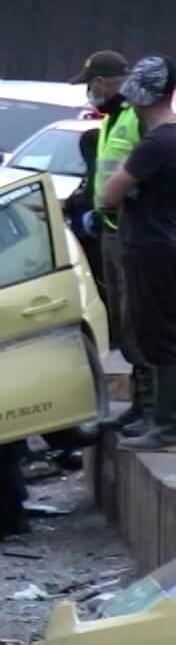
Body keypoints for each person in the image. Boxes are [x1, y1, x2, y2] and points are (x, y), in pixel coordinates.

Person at [100, 55, 176, 452]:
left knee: (157, 335)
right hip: (167, 242)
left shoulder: (156, 143)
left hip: (151, 248)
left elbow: (109, 192)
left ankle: (166, 427)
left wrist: (122, 187)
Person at [73, 50, 148, 433]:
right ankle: (140, 404)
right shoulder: (112, 120)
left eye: (91, 84)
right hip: (111, 230)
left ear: (103, 82)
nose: (90, 92)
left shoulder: (136, 117)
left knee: (141, 321)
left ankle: (151, 409)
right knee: (125, 320)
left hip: (133, 233)